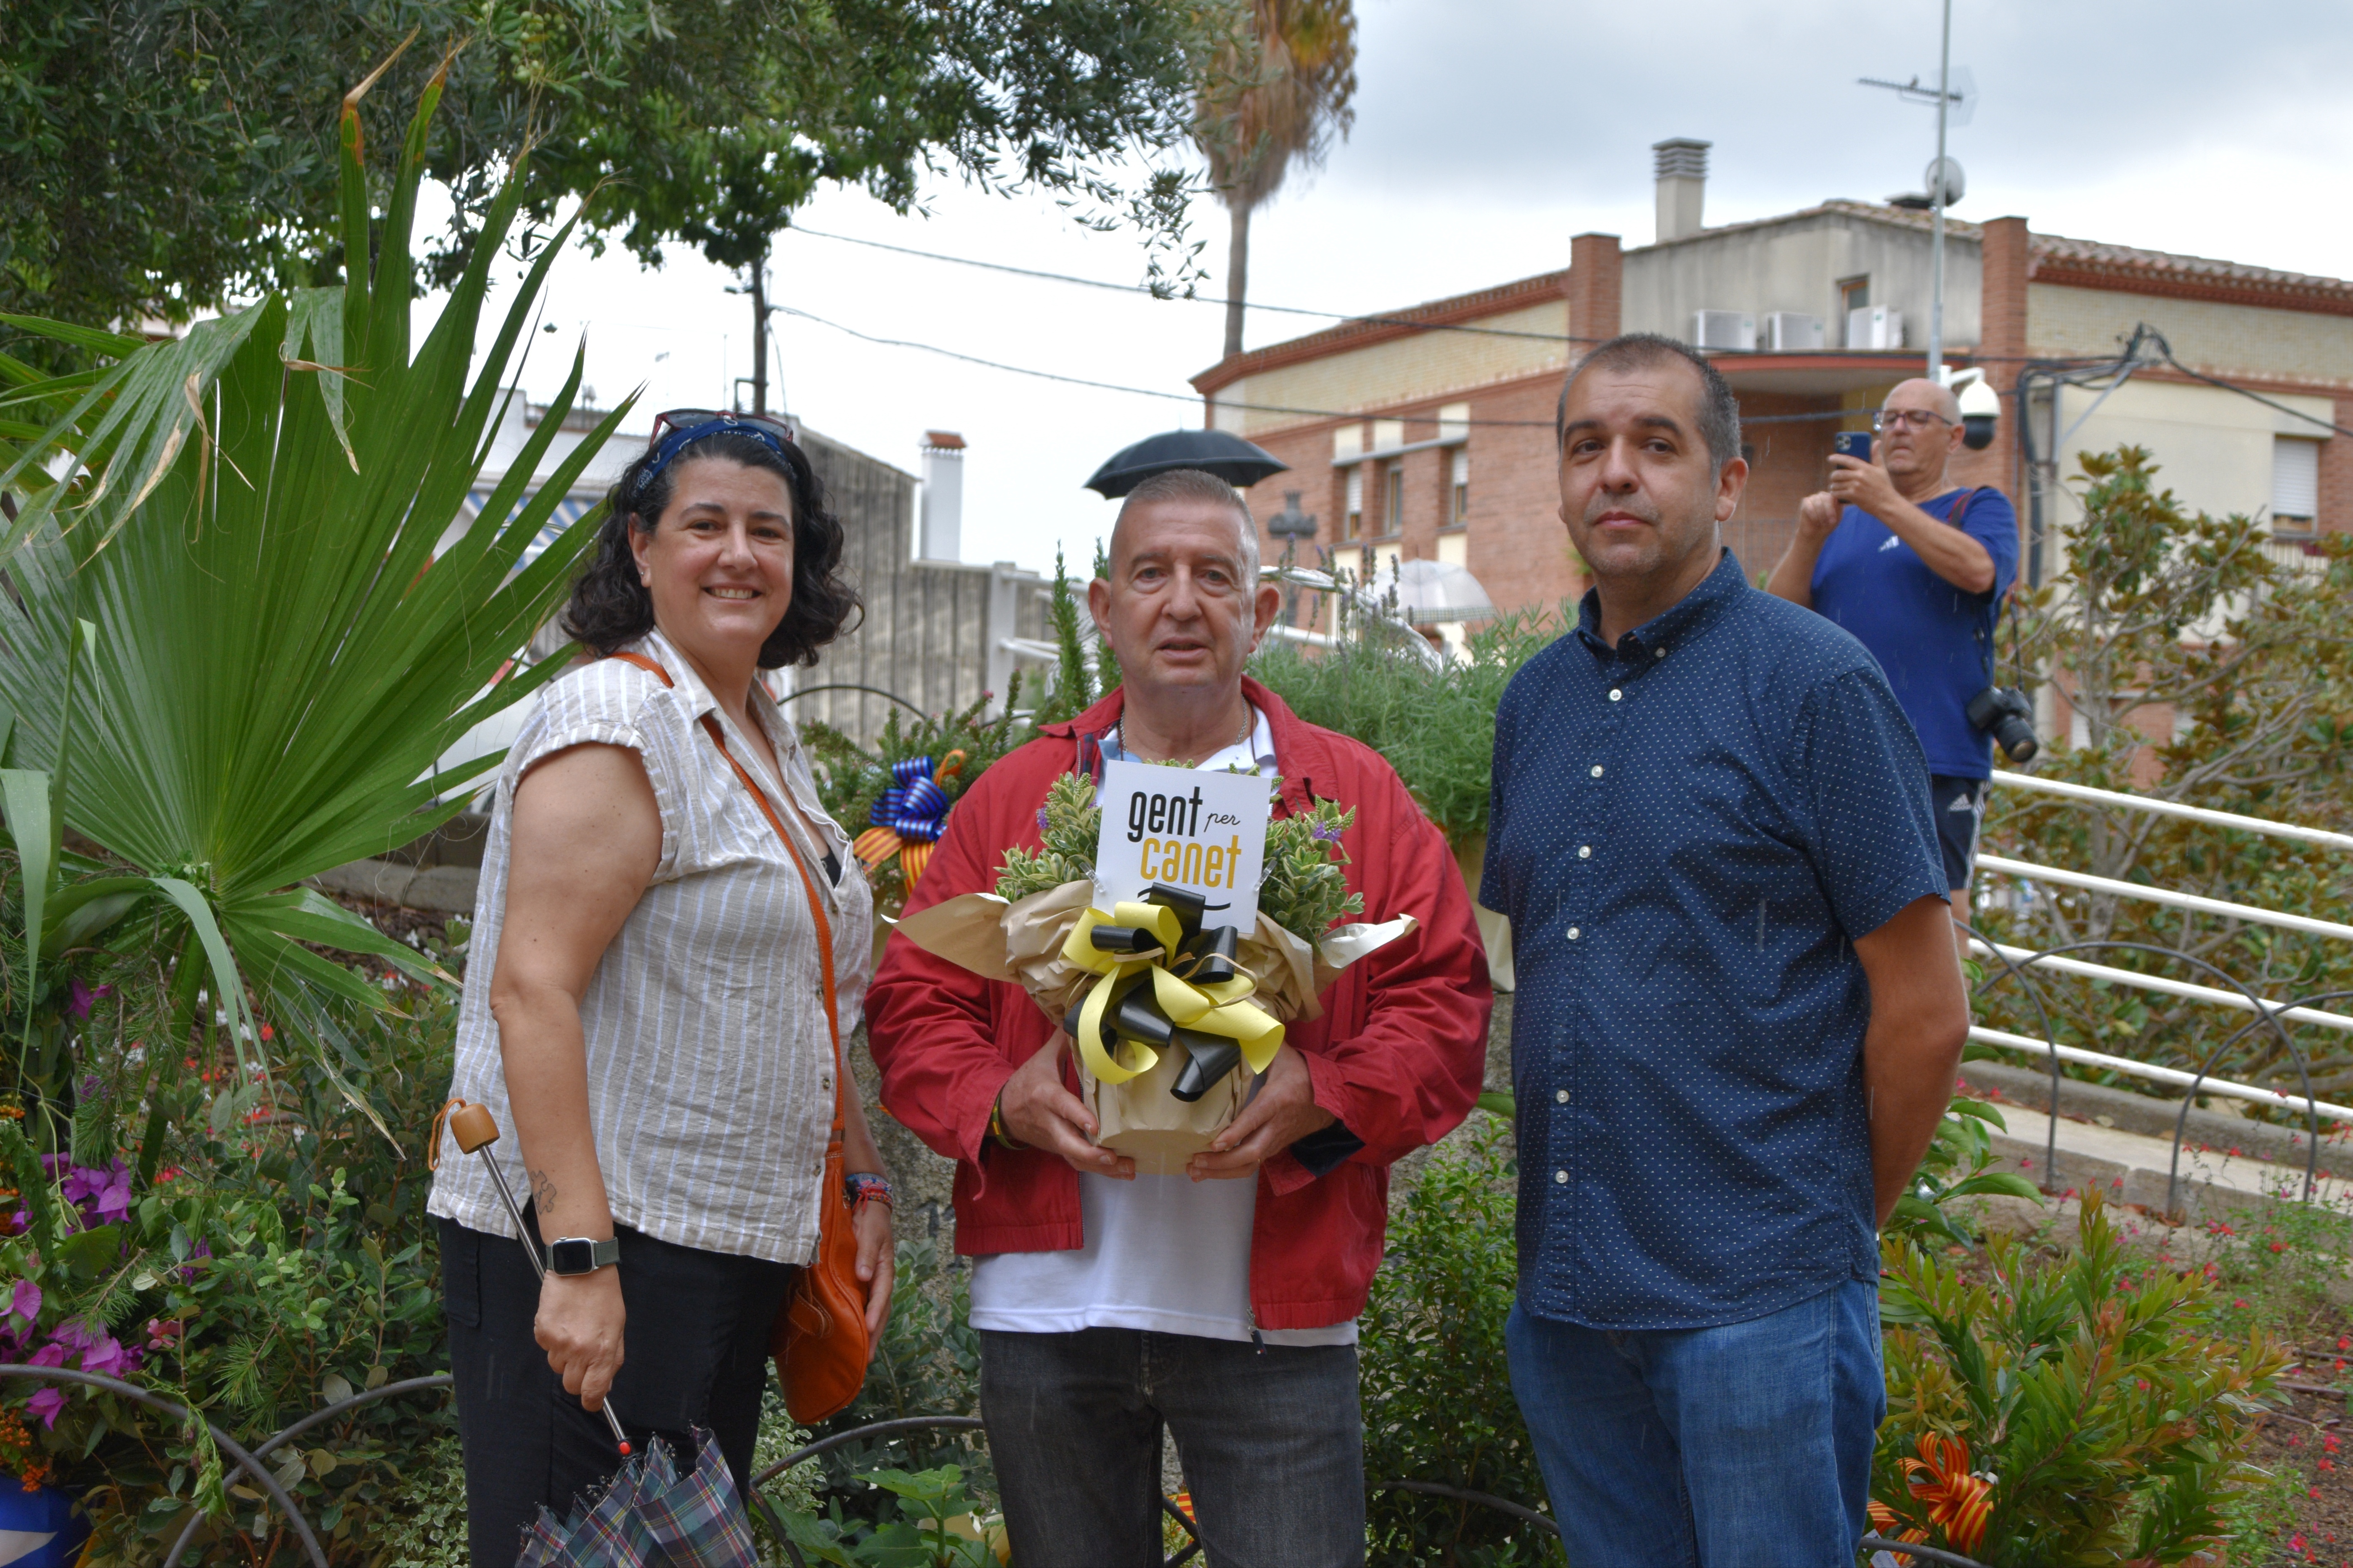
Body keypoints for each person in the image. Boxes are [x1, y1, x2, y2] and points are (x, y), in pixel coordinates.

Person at [865, 469, 1492, 1568]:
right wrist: (999, 1102)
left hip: (1277, 1324)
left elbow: (1443, 1007)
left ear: (1261, 612)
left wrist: (1328, 1095)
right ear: (1105, 609)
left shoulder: (1354, 801)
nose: (1183, 602)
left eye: (1216, 575)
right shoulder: (1019, 796)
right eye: (1151, 573)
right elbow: (916, 1003)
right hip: (1049, 1314)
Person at [1484, 336, 1971, 1563]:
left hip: (1759, 1312)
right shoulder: (1530, 703)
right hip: (1569, 1306)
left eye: (1657, 444)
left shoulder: (1816, 688)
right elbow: (1542, 961)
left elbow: (1924, 1013)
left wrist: (1816, 1241)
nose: (1617, 474)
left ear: (1731, 481)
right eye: (1587, 444)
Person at [428, 411, 896, 1563]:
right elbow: (531, 990)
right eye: (705, 524)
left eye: (768, 531)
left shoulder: (754, 728)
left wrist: (862, 1168)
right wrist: (580, 1264)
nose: (740, 553)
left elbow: (798, 981)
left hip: (719, 1246)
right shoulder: (618, 717)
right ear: (640, 546)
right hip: (607, 1247)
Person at [1766, 377, 2021, 927]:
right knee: (1827, 911)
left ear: (1954, 438)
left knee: (1937, 916)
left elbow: (1979, 572)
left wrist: (1883, 502)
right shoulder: (1842, 522)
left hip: (1936, 754)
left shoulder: (1977, 507)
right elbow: (1775, 623)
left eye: (1916, 418)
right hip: (1835, 754)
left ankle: (1948, 1020)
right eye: (1889, 418)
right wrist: (1809, 536)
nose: (1898, 427)